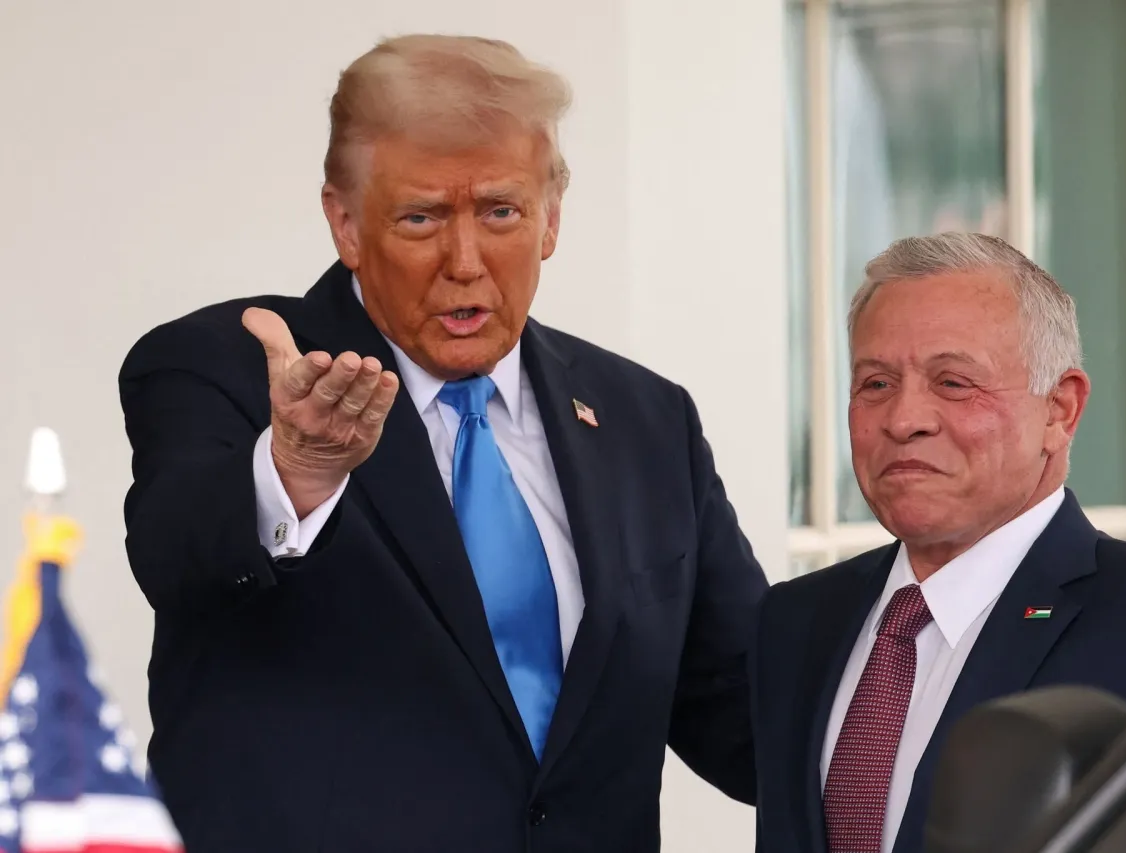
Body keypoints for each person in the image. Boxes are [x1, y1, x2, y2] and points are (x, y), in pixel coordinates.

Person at [118, 35, 767, 853]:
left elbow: (748, 713)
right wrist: (295, 471)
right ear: (346, 224)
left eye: (500, 211)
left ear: (551, 217)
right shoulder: (230, 369)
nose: (465, 262)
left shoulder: (646, 418)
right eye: (421, 218)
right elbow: (176, 559)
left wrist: (913, 622)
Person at [750, 232, 1126, 853]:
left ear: (1060, 411)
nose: (904, 419)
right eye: (876, 384)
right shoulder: (796, 621)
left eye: (953, 382)